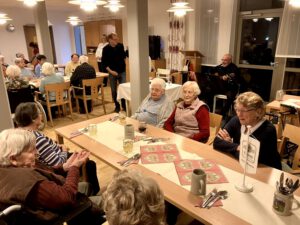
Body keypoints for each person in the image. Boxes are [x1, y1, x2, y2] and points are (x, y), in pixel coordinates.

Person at [0, 129, 104, 225]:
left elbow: (43, 172)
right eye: (31, 151)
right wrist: (74, 168)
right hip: (68, 213)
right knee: (112, 199)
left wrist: (64, 167)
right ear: (13, 158)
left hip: (54, 201)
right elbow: (67, 198)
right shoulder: (26, 182)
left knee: (86, 186)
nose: (37, 152)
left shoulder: (9, 169)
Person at [14, 102, 100, 195]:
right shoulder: (36, 138)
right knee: (90, 164)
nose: (41, 114)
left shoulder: (22, 133)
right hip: (57, 168)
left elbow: (46, 151)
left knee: (85, 160)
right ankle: (94, 193)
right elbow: (58, 163)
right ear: (33, 119)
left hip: (53, 163)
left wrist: (54, 144)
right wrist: (63, 150)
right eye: (39, 113)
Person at [213, 91, 282, 170]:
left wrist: (229, 145)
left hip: (266, 170)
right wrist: (237, 147)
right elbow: (216, 142)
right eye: (237, 109)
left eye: (244, 111)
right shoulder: (236, 120)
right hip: (241, 167)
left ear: (258, 111)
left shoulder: (268, 130)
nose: (239, 114)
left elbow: (248, 159)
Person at [102, 32, 126, 113]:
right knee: (113, 90)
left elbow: (123, 57)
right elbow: (104, 63)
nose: (117, 40)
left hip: (122, 71)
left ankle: (124, 105)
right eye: (115, 39)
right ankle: (117, 106)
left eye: (117, 39)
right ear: (110, 40)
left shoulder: (120, 46)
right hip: (112, 72)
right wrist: (111, 72)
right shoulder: (105, 49)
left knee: (123, 89)